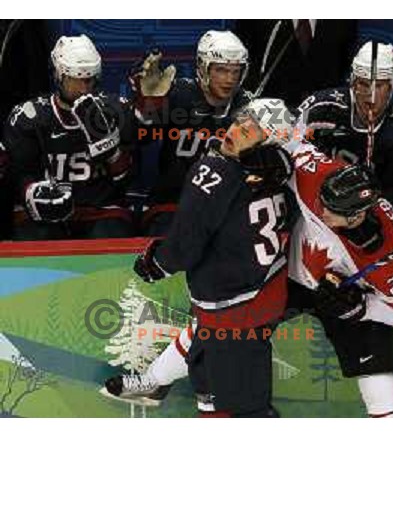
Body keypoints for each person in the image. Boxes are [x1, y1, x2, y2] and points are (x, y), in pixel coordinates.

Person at [103, 99, 297, 417]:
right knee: (204, 348)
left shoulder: (214, 170)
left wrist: (158, 263)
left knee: (241, 408)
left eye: (251, 130)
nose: (236, 130)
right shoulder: (283, 174)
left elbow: (185, 243)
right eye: (240, 121)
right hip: (266, 292)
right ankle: (154, 382)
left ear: (268, 145)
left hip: (233, 306)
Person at [286, 144, 393, 418]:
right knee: (229, 322)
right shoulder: (318, 178)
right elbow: (288, 135)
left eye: (330, 209)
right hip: (289, 276)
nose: (320, 209)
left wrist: (363, 308)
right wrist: (272, 157)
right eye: (322, 201)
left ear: (356, 215)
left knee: (380, 386)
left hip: (352, 296)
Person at [2, 34, 136, 240]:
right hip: (46, 210)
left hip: (101, 209)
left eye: (88, 79)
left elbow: (127, 179)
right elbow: (20, 171)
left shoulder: (116, 110)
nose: (83, 88)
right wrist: (31, 192)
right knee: (36, 239)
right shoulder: (29, 116)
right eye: (75, 79)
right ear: (58, 75)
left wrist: (112, 152)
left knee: (109, 235)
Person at [131, 30, 253, 235]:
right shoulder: (176, 94)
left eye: (236, 71)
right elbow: (142, 138)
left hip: (226, 209)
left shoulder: (249, 107)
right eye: (221, 70)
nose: (230, 79)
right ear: (203, 68)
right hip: (173, 204)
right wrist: (148, 105)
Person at [298, 40, 393, 226]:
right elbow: (288, 133)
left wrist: (365, 212)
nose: (371, 96)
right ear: (352, 83)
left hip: (368, 221)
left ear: (392, 87)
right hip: (314, 212)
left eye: (380, 86)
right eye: (364, 85)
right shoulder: (322, 106)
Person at [235, 20, 358, 107]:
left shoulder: (344, 21)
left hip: (321, 115)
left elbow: (344, 63)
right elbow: (244, 59)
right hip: (268, 112)